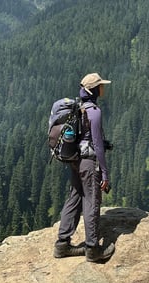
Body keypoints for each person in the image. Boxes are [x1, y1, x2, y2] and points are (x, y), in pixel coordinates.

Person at [54, 73, 115, 262]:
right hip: (89, 163)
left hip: (75, 161)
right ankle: (92, 249)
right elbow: (96, 144)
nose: (103, 88)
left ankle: (62, 245)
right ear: (94, 90)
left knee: (74, 199)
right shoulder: (94, 111)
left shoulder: (78, 108)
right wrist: (104, 173)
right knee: (91, 202)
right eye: (100, 86)